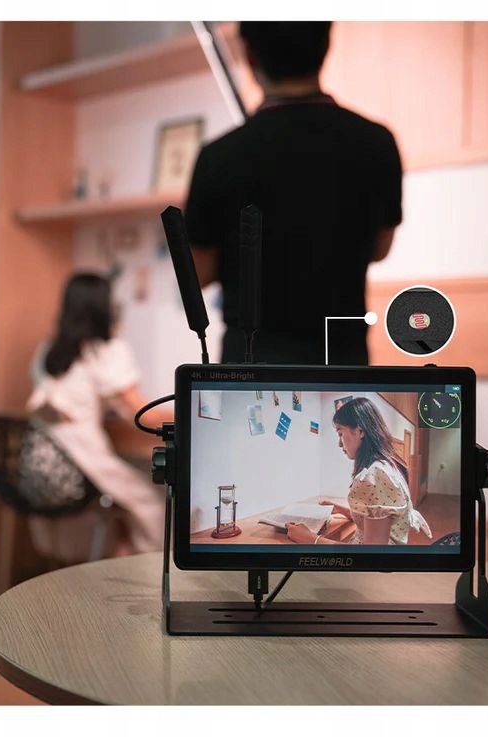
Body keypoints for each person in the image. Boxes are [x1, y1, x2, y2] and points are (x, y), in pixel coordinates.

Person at [185, 21, 404, 365]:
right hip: (340, 359)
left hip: (250, 366)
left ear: (250, 55)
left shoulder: (219, 156)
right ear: (326, 45)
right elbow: (380, 249)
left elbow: (198, 273)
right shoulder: (376, 143)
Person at [26, 273, 170, 559]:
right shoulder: (105, 350)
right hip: (75, 462)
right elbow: (142, 413)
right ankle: (142, 569)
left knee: (121, 499)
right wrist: (192, 414)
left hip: (36, 464)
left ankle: (121, 552)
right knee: (152, 505)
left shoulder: (48, 351)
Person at [286, 397, 431, 545]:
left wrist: (310, 538)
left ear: (360, 431)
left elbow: (371, 554)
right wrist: (340, 509)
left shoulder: (376, 476)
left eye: (340, 433)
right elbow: (375, 522)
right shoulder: (389, 464)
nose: (339, 443)